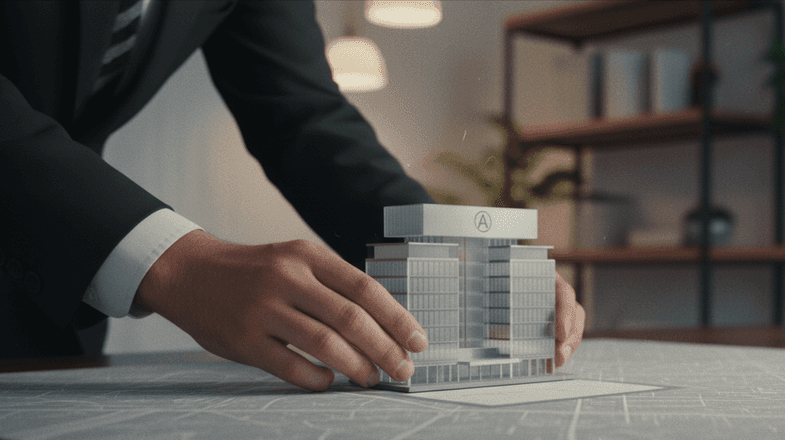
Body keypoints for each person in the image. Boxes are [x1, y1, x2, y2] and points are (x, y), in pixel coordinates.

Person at [0, 0, 585, 391]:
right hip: (77, 247)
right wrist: (170, 260)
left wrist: (444, 249)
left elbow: (303, 116)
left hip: (50, 312)